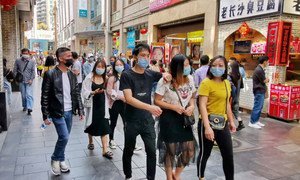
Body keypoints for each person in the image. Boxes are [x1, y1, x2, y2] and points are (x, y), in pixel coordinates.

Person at [120, 43, 167, 180]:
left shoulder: (150, 74)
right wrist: (150, 107)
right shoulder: (126, 75)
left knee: (152, 151)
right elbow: (128, 99)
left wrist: (167, 75)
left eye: (147, 56)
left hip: (147, 121)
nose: (145, 59)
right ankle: (128, 175)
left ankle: (150, 177)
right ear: (135, 56)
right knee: (129, 149)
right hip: (131, 120)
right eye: (142, 56)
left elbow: (165, 76)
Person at [41, 47, 84, 175]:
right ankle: (55, 159)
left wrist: (80, 110)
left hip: (69, 112)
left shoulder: (72, 74)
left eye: (71, 55)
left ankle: (62, 159)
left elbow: (77, 93)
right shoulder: (50, 74)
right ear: (60, 58)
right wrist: (45, 115)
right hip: (57, 112)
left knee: (64, 137)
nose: (71, 58)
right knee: (64, 137)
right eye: (68, 56)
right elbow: (45, 95)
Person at [154, 54, 196, 180]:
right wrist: (174, 107)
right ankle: (169, 177)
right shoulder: (166, 81)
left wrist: (192, 106)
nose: (188, 67)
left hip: (184, 118)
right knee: (170, 151)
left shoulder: (190, 78)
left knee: (189, 150)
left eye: (189, 64)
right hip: (169, 118)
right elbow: (157, 100)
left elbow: (192, 96)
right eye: (185, 65)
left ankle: (176, 175)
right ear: (177, 67)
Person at [197, 55, 236, 180]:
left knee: (228, 155)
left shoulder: (226, 83)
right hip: (207, 123)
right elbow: (202, 105)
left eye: (220, 65)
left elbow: (227, 104)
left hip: (222, 123)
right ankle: (201, 177)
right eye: (214, 65)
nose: (217, 68)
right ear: (210, 67)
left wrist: (231, 121)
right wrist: (207, 127)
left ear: (225, 68)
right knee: (205, 154)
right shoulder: (206, 83)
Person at [81, 59, 113, 159]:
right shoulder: (89, 78)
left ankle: (105, 149)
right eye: (98, 67)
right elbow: (84, 91)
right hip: (92, 105)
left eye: (103, 67)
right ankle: (91, 141)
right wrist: (93, 92)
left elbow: (109, 91)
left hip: (102, 104)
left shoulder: (106, 78)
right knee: (91, 124)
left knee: (104, 126)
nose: (101, 69)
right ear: (95, 67)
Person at [106, 59, 126, 149]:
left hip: (125, 103)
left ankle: (129, 141)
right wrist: (119, 97)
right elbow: (109, 91)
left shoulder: (126, 76)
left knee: (127, 123)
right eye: (117, 65)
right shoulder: (112, 78)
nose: (119, 66)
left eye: (121, 64)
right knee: (113, 122)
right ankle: (111, 140)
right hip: (115, 103)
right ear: (114, 67)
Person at [13, 48, 36, 115]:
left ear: (29, 53)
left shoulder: (32, 61)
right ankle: (25, 106)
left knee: (29, 94)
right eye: (24, 53)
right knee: (23, 95)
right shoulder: (18, 60)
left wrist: (31, 79)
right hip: (21, 80)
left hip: (29, 81)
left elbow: (33, 71)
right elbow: (15, 70)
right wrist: (16, 79)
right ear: (21, 53)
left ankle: (30, 108)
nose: (25, 55)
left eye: (26, 53)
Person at [249, 55, 269, 129]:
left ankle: (256, 121)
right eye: (267, 61)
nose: (268, 63)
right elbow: (264, 80)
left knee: (259, 107)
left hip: (260, 90)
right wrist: (268, 79)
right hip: (259, 90)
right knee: (257, 107)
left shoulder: (260, 69)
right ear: (264, 62)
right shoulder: (259, 70)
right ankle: (252, 122)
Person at [228, 57, 245, 131]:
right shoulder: (239, 76)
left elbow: (232, 88)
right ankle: (240, 123)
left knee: (230, 110)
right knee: (235, 110)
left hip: (232, 97)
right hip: (237, 96)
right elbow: (241, 86)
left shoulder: (231, 76)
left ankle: (231, 125)